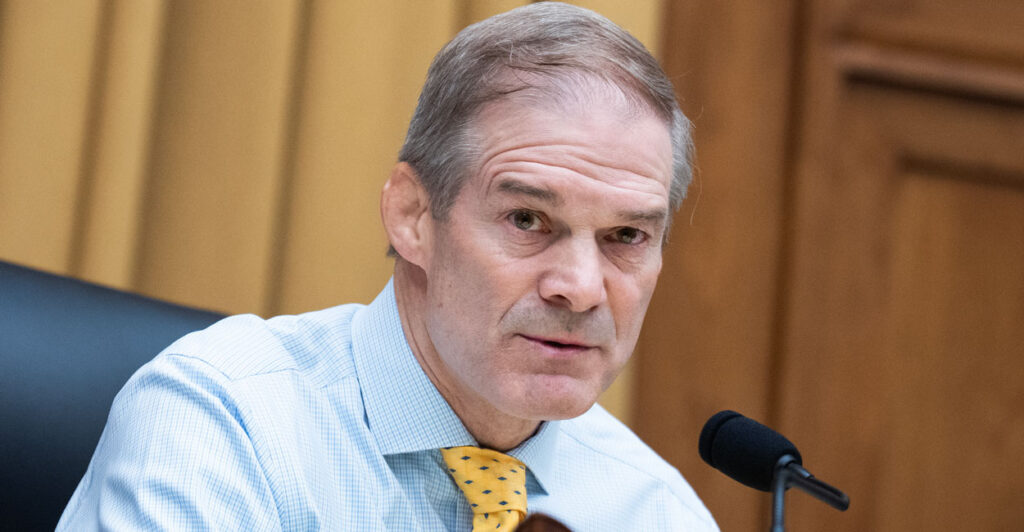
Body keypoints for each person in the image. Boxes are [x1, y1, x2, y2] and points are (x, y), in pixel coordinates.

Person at [58, 3, 717, 530]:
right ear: (412, 215)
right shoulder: (226, 423)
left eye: (625, 235)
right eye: (526, 220)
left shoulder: (656, 511)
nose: (579, 287)